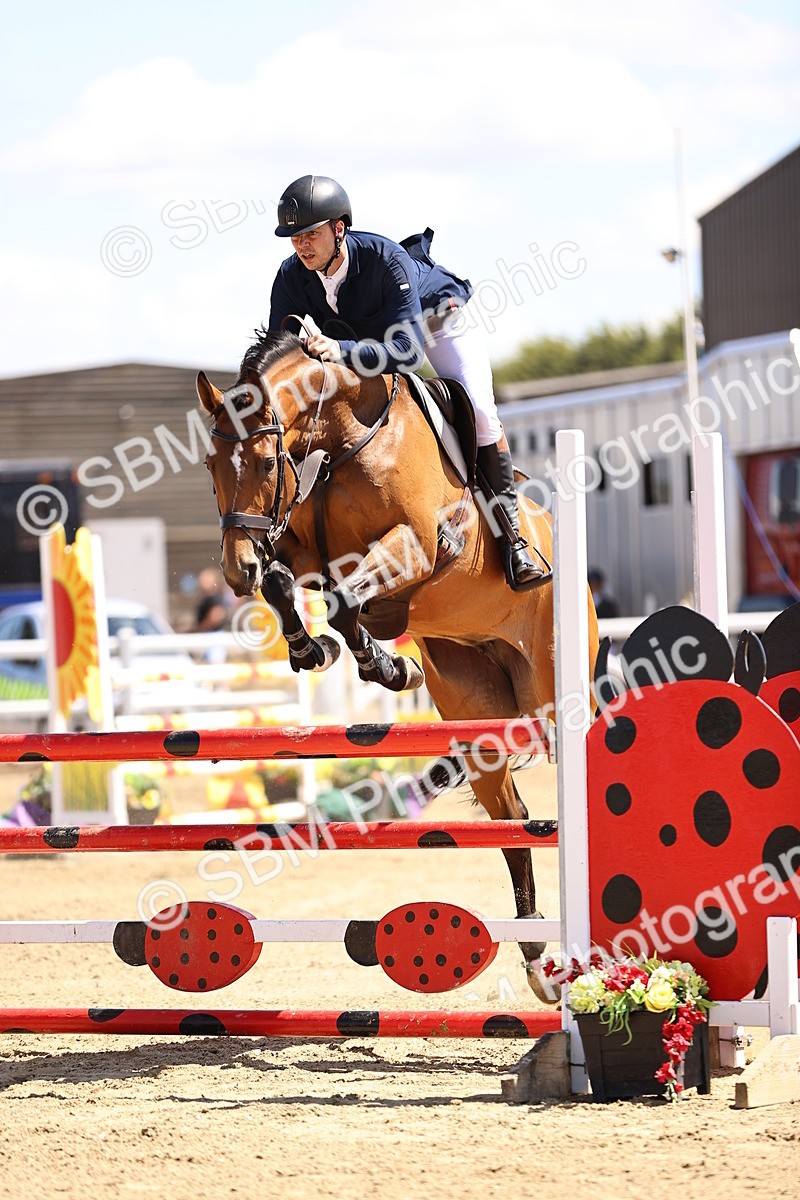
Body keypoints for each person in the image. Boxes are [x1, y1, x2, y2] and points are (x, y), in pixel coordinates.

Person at [267, 174, 544, 590]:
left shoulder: (385, 259)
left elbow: (407, 353)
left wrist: (340, 350)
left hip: (433, 324)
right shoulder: (291, 277)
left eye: (310, 234)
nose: (301, 245)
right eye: (294, 237)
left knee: (483, 414)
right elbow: (279, 354)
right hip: (364, 339)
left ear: (339, 229)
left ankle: (514, 539)